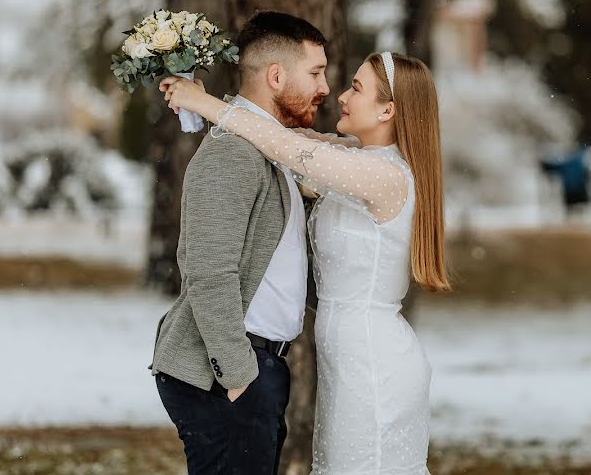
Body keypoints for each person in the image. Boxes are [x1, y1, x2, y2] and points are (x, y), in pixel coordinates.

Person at [160, 49, 450, 475]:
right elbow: (273, 133)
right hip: (346, 360)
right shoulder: (358, 160)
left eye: (356, 87)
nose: (340, 96)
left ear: (388, 109)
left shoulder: (385, 176)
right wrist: (213, 100)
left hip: (372, 362)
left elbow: (289, 148)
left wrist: (204, 105)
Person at [149, 10, 329, 474]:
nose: (325, 87)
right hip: (228, 372)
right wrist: (239, 375)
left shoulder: (268, 148)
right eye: (315, 72)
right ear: (275, 75)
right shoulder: (233, 152)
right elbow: (209, 271)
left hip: (251, 370)